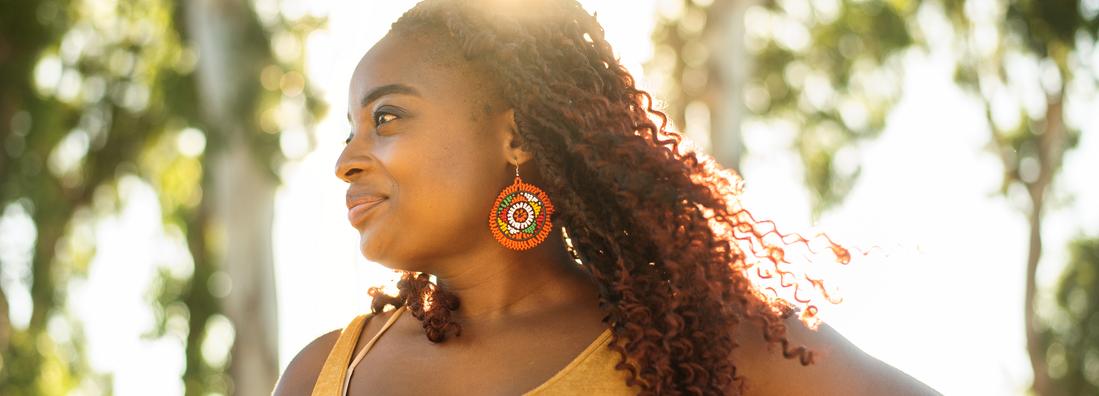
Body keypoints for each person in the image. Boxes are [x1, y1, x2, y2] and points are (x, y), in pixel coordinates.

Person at [272, 0, 940, 394]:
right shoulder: (325, 372)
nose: (345, 161)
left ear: (515, 136)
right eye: (349, 130)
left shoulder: (702, 344)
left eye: (386, 118)